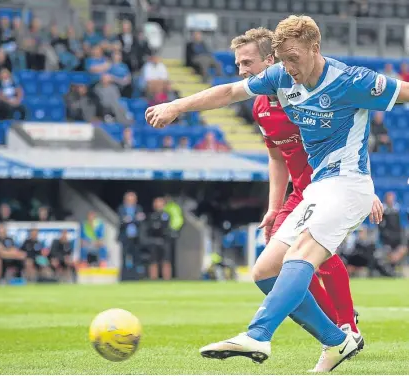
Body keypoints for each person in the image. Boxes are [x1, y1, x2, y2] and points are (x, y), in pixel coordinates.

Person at [145, 15, 408, 372]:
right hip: (316, 188)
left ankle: (258, 333)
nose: (289, 68)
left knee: (302, 254)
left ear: (315, 49)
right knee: (265, 271)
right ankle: (338, 341)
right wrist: (177, 106)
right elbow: (228, 92)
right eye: (283, 59)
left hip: (348, 183)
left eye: (295, 58)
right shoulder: (281, 76)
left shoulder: (352, 80)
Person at [227, 26, 383, 343]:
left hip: (332, 186)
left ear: (271, 60)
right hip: (300, 192)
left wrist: (368, 191)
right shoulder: (260, 108)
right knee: (277, 263)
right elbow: (277, 158)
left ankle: (345, 327)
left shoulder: (303, 91)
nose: (243, 71)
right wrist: (273, 207)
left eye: (247, 63)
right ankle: (334, 328)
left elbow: (347, 137)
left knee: (313, 254)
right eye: (239, 66)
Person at [144, 197, 171, 280]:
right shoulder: (152, 215)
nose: (158, 205)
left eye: (160, 203)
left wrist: (158, 227)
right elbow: (150, 227)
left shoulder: (166, 215)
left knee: (166, 260)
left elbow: (164, 227)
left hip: (164, 240)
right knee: (153, 261)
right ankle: (153, 278)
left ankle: (167, 278)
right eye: (156, 203)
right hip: (154, 240)